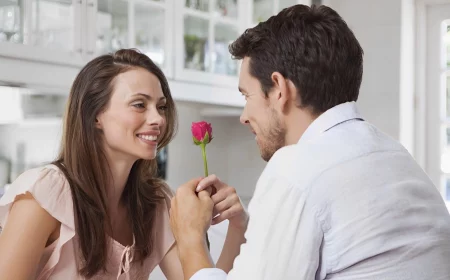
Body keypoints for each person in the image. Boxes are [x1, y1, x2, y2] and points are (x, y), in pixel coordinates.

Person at [169, 4, 450, 280]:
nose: (244, 116)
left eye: (247, 96)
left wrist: (190, 237)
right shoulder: (397, 157)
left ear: (279, 89)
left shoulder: (296, 169)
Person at [0, 49, 248, 279]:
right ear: (95, 115)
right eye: (139, 104)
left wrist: (237, 227)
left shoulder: (156, 204)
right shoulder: (46, 194)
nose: (158, 118)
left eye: (161, 107)